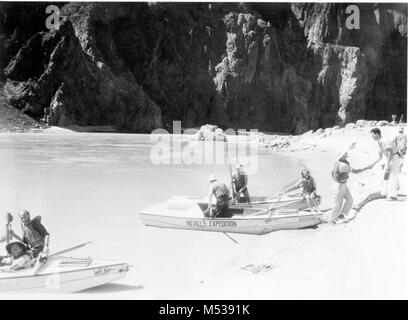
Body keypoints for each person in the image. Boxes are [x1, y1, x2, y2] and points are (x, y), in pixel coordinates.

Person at [330, 148, 370, 224]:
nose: (346, 155)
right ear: (341, 156)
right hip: (339, 185)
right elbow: (356, 171)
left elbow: (332, 173)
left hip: (341, 184)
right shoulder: (343, 165)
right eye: (345, 154)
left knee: (350, 200)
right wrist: (367, 168)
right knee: (338, 203)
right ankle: (333, 220)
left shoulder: (337, 162)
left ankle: (342, 215)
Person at [366, 127, 403, 201]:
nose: (372, 137)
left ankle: (393, 196)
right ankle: (385, 193)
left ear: (377, 134)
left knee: (392, 176)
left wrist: (388, 165)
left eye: (373, 135)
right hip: (389, 158)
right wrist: (372, 164)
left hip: (394, 158)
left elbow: (390, 153)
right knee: (385, 176)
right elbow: (380, 156)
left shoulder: (385, 140)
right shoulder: (378, 142)